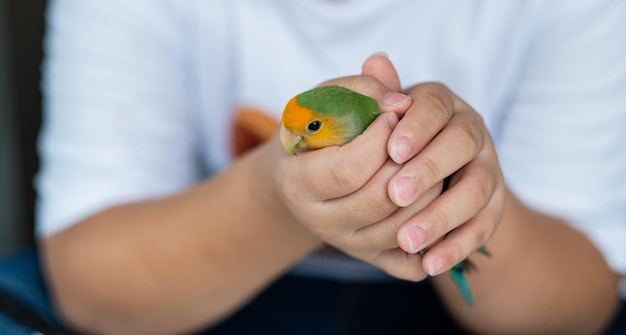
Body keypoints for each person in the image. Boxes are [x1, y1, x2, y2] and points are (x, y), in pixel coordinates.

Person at [2, 0, 622, 334]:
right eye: (296, 133)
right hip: (190, 289)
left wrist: (462, 199)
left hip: (479, 304)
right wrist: (276, 197)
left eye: (310, 132)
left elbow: (576, 307)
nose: (298, 141)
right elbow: (89, 287)